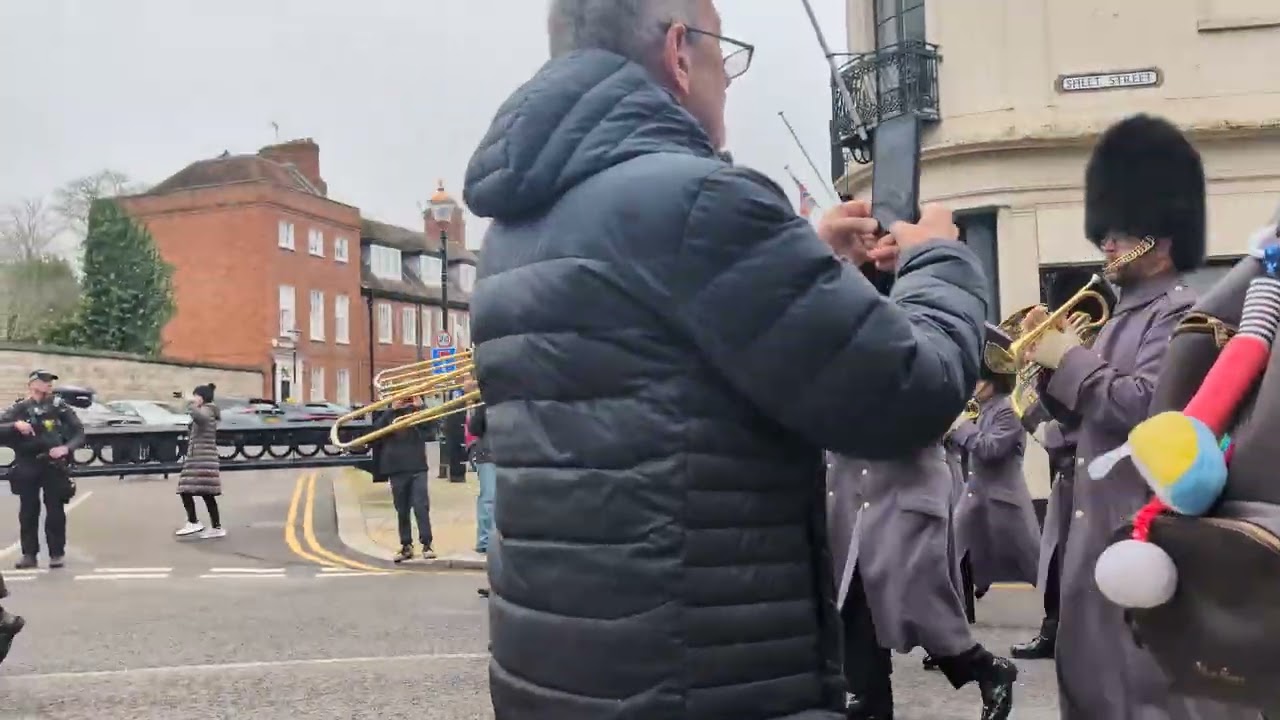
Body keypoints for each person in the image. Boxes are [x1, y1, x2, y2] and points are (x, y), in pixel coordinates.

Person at [462, 1, 990, 717]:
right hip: (708, 682)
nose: (729, 82)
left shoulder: (516, 227)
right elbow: (909, 392)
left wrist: (806, 255)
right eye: (724, 56)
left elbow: (668, 353)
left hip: (560, 679)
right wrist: (940, 261)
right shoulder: (700, 201)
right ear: (680, 52)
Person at [1020, 114, 1250, 720]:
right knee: (1094, 690)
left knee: (1147, 696)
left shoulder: (1186, 316)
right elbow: (1083, 424)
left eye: (1120, 231)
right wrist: (1048, 373)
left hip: (1144, 538)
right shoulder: (1116, 317)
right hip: (1092, 536)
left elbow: (1151, 408)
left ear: (1160, 235)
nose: (1107, 243)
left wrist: (1069, 359)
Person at [949, 327, 1040, 609]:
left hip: (1005, 500)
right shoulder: (983, 407)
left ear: (994, 381)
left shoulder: (1007, 408)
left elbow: (990, 449)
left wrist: (960, 427)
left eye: (980, 379)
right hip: (975, 495)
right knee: (951, 552)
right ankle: (959, 605)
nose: (975, 385)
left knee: (1035, 565)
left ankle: (1058, 616)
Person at [1008, 406, 1075, 661]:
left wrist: (1044, 427)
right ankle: (1053, 632)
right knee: (1057, 557)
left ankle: (1064, 635)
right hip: (1068, 474)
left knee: (1071, 560)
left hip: (1089, 474)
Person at [1, 370, 84, 570]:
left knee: (55, 510)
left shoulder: (59, 407)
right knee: (28, 510)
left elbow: (79, 432)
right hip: (28, 463)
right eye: (45, 381)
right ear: (33, 384)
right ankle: (29, 554)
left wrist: (66, 448)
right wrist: (15, 425)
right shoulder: (20, 408)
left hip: (53, 465)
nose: (49, 385)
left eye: (50, 382)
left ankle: (56, 553)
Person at [372, 396, 434, 562]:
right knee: (402, 509)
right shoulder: (388, 415)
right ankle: (406, 545)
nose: (404, 400)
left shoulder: (417, 412)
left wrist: (421, 407)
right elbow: (376, 432)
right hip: (396, 468)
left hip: (418, 467)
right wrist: (391, 409)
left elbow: (431, 430)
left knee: (421, 506)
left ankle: (427, 544)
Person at [175, 384, 224, 539]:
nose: (195, 398)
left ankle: (196, 522)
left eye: (196, 395)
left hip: (202, 459)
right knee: (204, 493)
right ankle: (212, 526)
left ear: (202, 397)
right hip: (200, 458)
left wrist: (190, 402)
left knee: (188, 490)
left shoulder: (208, 411)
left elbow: (199, 416)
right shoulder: (208, 410)